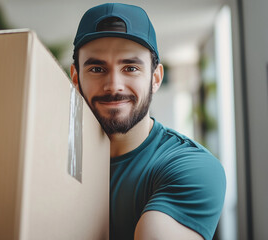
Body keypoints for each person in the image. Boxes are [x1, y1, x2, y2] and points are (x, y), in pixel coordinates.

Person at [70, 3, 226, 240]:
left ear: (155, 78)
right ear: (75, 78)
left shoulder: (193, 168)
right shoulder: (48, 158)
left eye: (130, 67)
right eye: (97, 68)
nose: (114, 85)